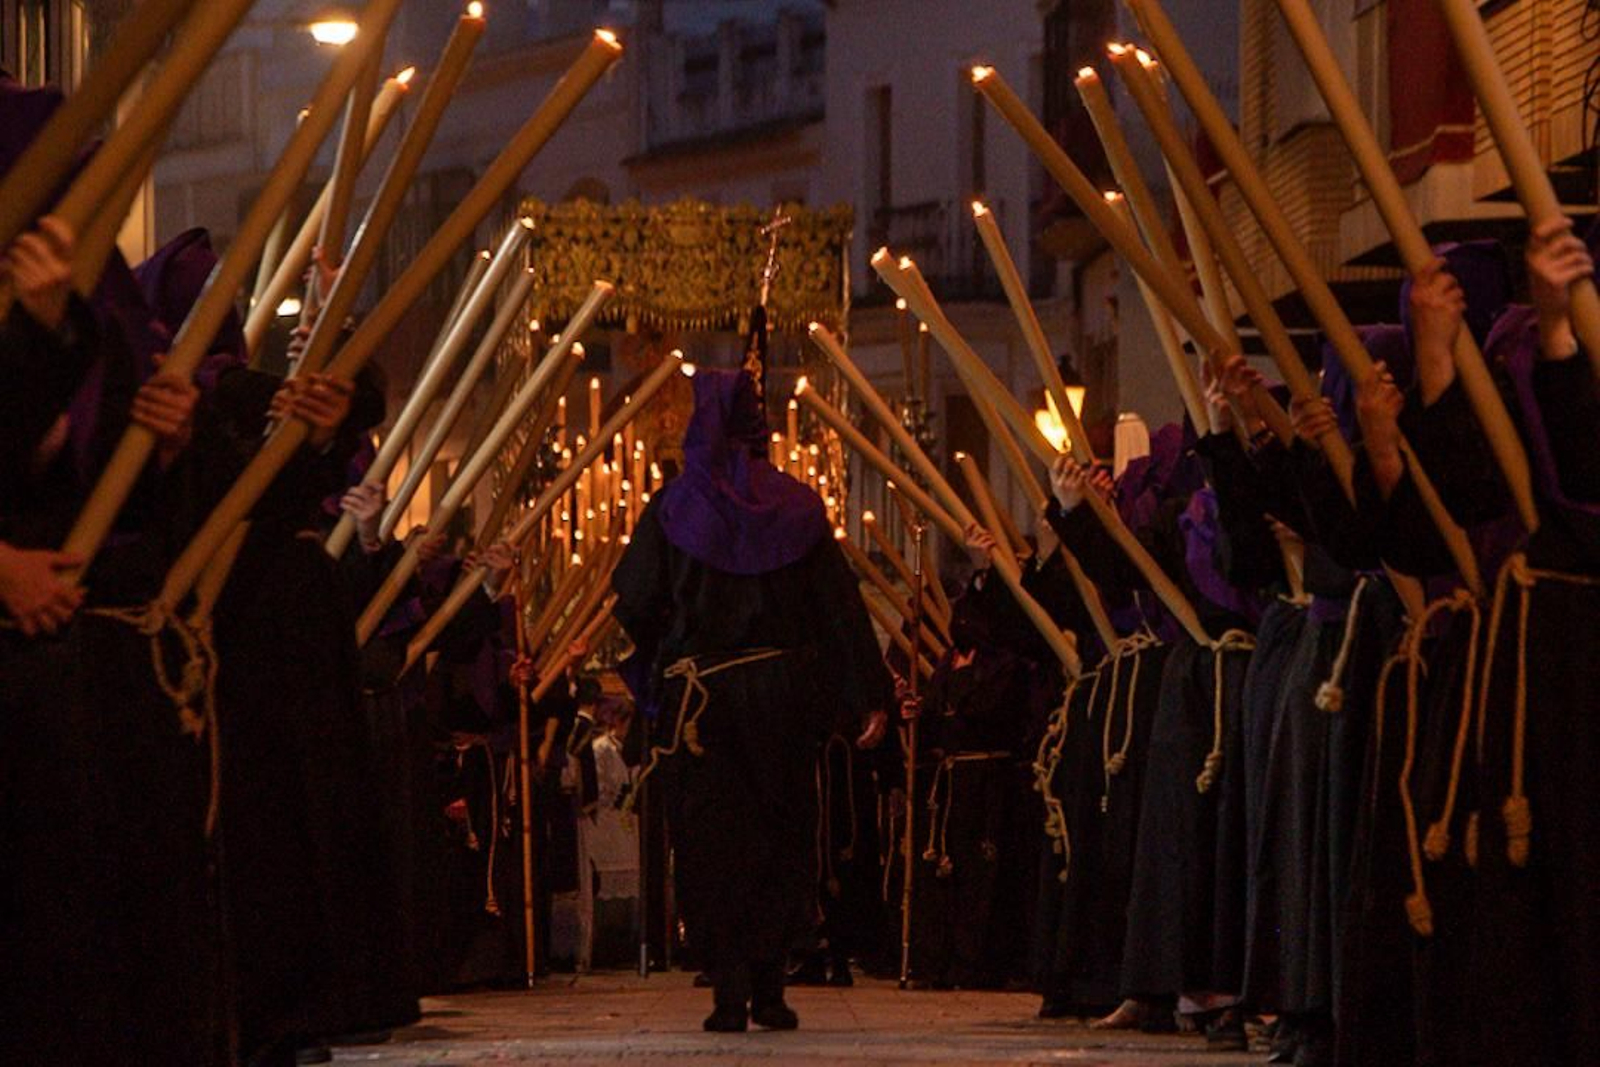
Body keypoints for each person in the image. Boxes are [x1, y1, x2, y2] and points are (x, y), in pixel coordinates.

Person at [612, 366, 892, 1032]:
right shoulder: (796, 507)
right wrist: (866, 693)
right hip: (782, 699)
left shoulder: (674, 508)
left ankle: (729, 994)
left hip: (702, 706)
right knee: (780, 836)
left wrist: (667, 655)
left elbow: (638, 602)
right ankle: (770, 989)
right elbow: (838, 608)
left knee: (714, 845)